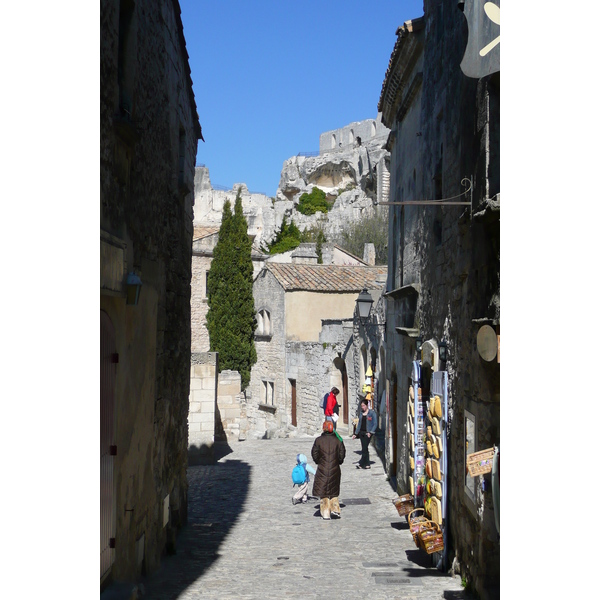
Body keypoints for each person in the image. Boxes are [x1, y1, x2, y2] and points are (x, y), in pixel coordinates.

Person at [311, 420, 346, 520]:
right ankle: (335, 509)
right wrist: (338, 461)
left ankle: (326, 512)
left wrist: (319, 462)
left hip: (322, 469)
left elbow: (314, 453)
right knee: (333, 491)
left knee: (324, 492)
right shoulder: (338, 441)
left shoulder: (318, 440)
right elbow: (342, 454)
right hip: (335, 469)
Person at [352, 398, 377, 469]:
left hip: (368, 433)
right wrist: (355, 433)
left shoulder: (372, 413)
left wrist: (371, 432)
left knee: (364, 448)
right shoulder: (361, 413)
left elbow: (375, 424)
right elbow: (359, 424)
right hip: (361, 433)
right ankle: (366, 464)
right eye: (361, 406)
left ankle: (362, 464)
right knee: (364, 448)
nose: (362, 407)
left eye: (363, 406)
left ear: (367, 405)